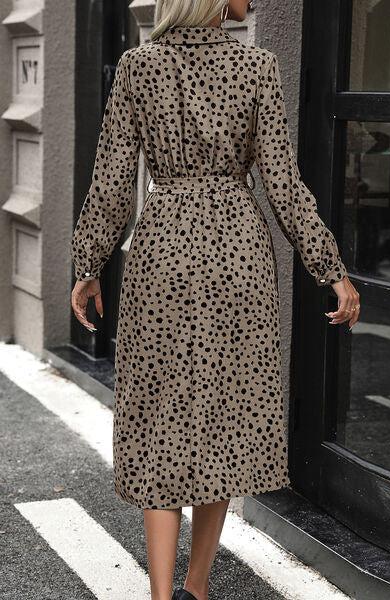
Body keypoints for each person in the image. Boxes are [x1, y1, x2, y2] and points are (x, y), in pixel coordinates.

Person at [70, 0, 360, 599]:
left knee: (159, 417)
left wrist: (88, 264)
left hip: (163, 252)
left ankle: (160, 594)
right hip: (238, 254)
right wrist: (330, 268)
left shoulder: (137, 66)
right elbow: (281, 182)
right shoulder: (258, 66)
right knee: (222, 418)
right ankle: (196, 588)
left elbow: (113, 180)